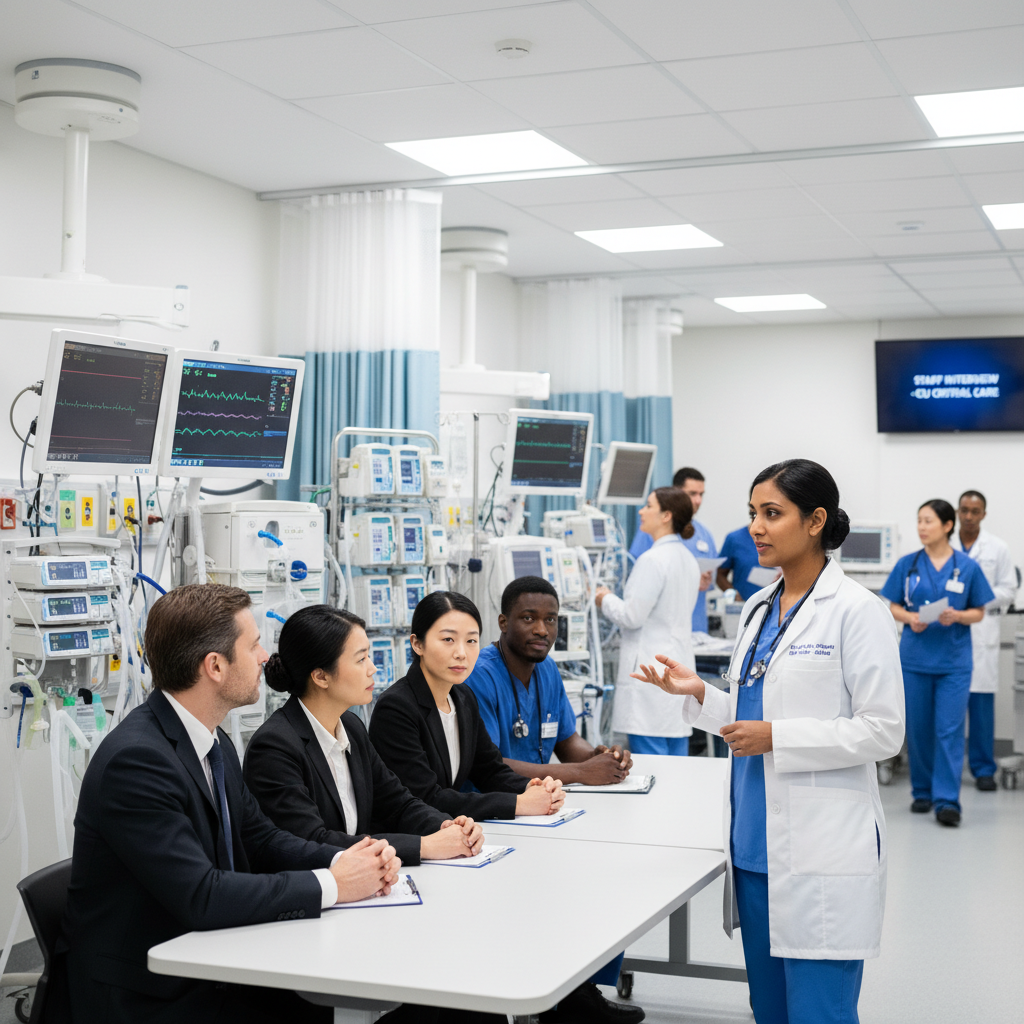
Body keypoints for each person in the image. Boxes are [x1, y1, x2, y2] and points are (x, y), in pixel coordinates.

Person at [635, 459, 905, 1024]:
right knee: (770, 1010)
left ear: (815, 521)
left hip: (821, 848)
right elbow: (751, 716)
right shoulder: (758, 609)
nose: (755, 527)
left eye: (772, 513)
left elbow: (884, 729)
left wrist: (777, 738)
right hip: (754, 847)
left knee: (819, 1012)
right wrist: (701, 694)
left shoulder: (857, 611)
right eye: (753, 513)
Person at [58, 584, 403, 1024]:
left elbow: (261, 838)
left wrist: (349, 860)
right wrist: (334, 884)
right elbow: (201, 895)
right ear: (215, 666)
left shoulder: (212, 739)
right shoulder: (138, 761)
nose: (264, 657)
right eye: (253, 645)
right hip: (148, 993)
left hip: (209, 959)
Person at [466, 576, 643, 1024]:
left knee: (607, 872)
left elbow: (567, 742)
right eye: (528, 618)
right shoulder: (480, 677)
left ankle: (577, 992)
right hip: (493, 816)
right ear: (503, 622)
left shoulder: (545, 670)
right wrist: (581, 773)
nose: (542, 629)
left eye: (551, 619)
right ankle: (562, 997)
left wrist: (601, 757)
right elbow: (491, 766)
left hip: (544, 812)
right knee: (560, 889)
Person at [244, 604, 484, 867]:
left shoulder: (351, 726)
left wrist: (447, 826)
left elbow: (398, 804)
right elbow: (312, 841)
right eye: (361, 659)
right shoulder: (274, 747)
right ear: (321, 676)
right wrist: (424, 846)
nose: (372, 668)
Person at [369, 590, 565, 822]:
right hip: (408, 836)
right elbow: (425, 798)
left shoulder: (463, 697)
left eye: (471, 641)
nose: (461, 653)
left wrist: (532, 787)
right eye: (448, 640)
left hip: (453, 830)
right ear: (417, 644)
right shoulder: (396, 708)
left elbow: (489, 770)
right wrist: (518, 804)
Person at [879, 499, 995, 824]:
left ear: (947, 525)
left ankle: (946, 801)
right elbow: (892, 605)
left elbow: (979, 611)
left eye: (928, 521)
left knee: (949, 731)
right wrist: (910, 617)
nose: (921, 527)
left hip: (953, 664)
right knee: (918, 731)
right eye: (919, 520)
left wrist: (958, 615)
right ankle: (922, 792)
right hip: (915, 660)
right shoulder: (908, 564)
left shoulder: (966, 567)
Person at [595, 487, 699, 755]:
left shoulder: (652, 560)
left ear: (666, 515)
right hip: (676, 669)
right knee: (676, 762)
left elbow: (631, 616)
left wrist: (604, 598)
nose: (641, 511)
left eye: (648, 506)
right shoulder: (688, 559)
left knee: (653, 763)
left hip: (650, 676)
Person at [951, 490, 1017, 791]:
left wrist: (975, 599)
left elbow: (1008, 590)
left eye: (974, 511)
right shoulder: (944, 544)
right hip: (950, 630)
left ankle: (983, 769)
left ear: (983, 514)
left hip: (982, 632)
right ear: (957, 512)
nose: (968, 516)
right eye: (964, 510)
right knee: (949, 709)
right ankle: (949, 768)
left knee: (980, 708)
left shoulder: (998, 548)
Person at [630, 467, 717, 634]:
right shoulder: (650, 532)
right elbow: (639, 579)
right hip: (661, 631)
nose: (698, 500)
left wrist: (705, 581)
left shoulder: (704, 534)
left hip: (696, 627)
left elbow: (712, 580)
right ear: (676, 493)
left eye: (701, 495)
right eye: (692, 494)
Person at [717, 523, 778, 602]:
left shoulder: (780, 538)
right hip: (743, 604)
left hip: (775, 604)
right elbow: (719, 575)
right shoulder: (735, 539)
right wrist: (732, 594)